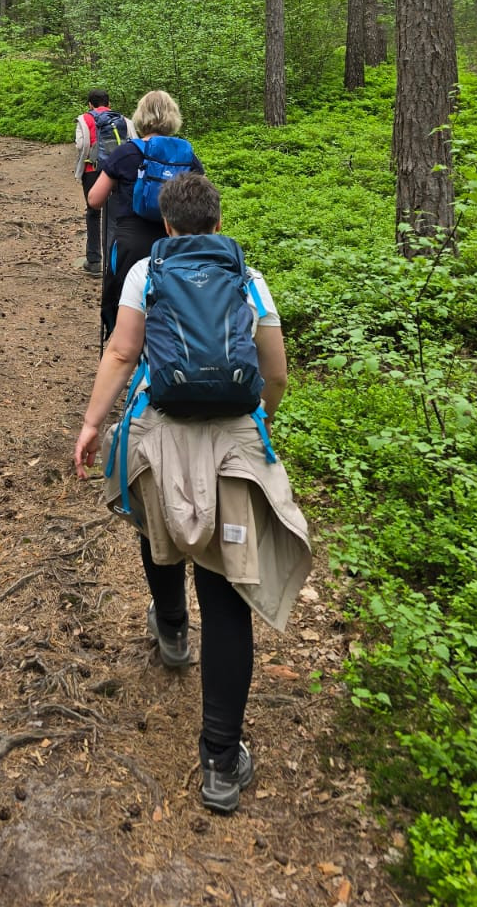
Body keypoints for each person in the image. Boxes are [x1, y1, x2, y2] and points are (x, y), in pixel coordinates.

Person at [74, 173, 310, 817]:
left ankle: (173, 628)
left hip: (161, 434)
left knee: (157, 529)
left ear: (168, 224)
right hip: (232, 441)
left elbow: (122, 353)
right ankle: (220, 761)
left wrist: (93, 424)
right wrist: (258, 420)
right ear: (218, 222)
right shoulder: (249, 278)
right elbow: (275, 371)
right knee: (228, 595)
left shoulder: (146, 273)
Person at [86, 89, 203, 338]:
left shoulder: (126, 152)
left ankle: (122, 346)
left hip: (132, 244)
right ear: (173, 117)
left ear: (140, 117)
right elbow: (202, 203)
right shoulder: (186, 155)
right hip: (174, 244)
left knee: (125, 308)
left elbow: (94, 200)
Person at [73, 88, 127, 276]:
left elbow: (81, 145)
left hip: (92, 170)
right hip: (118, 172)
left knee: (93, 212)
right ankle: (115, 261)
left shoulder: (84, 119)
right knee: (115, 214)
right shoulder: (121, 119)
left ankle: (94, 260)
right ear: (109, 103)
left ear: (90, 104)